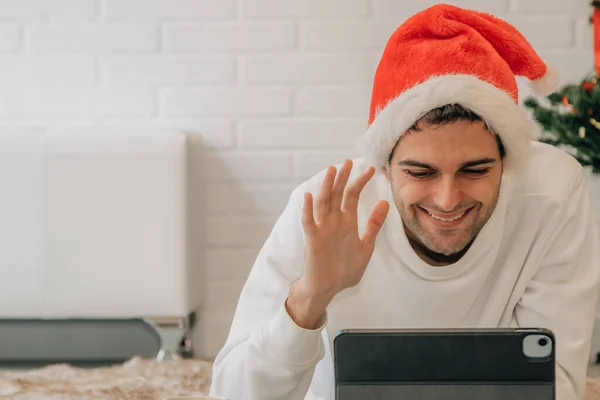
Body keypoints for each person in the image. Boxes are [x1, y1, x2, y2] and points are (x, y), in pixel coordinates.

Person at [209, 4, 600, 400]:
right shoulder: (323, 215)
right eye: (420, 172)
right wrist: (308, 299)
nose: (447, 201)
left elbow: (556, 385)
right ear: (384, 166)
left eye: (475, 170)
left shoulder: (552, 194)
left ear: (507, 161)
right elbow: (231, 394)